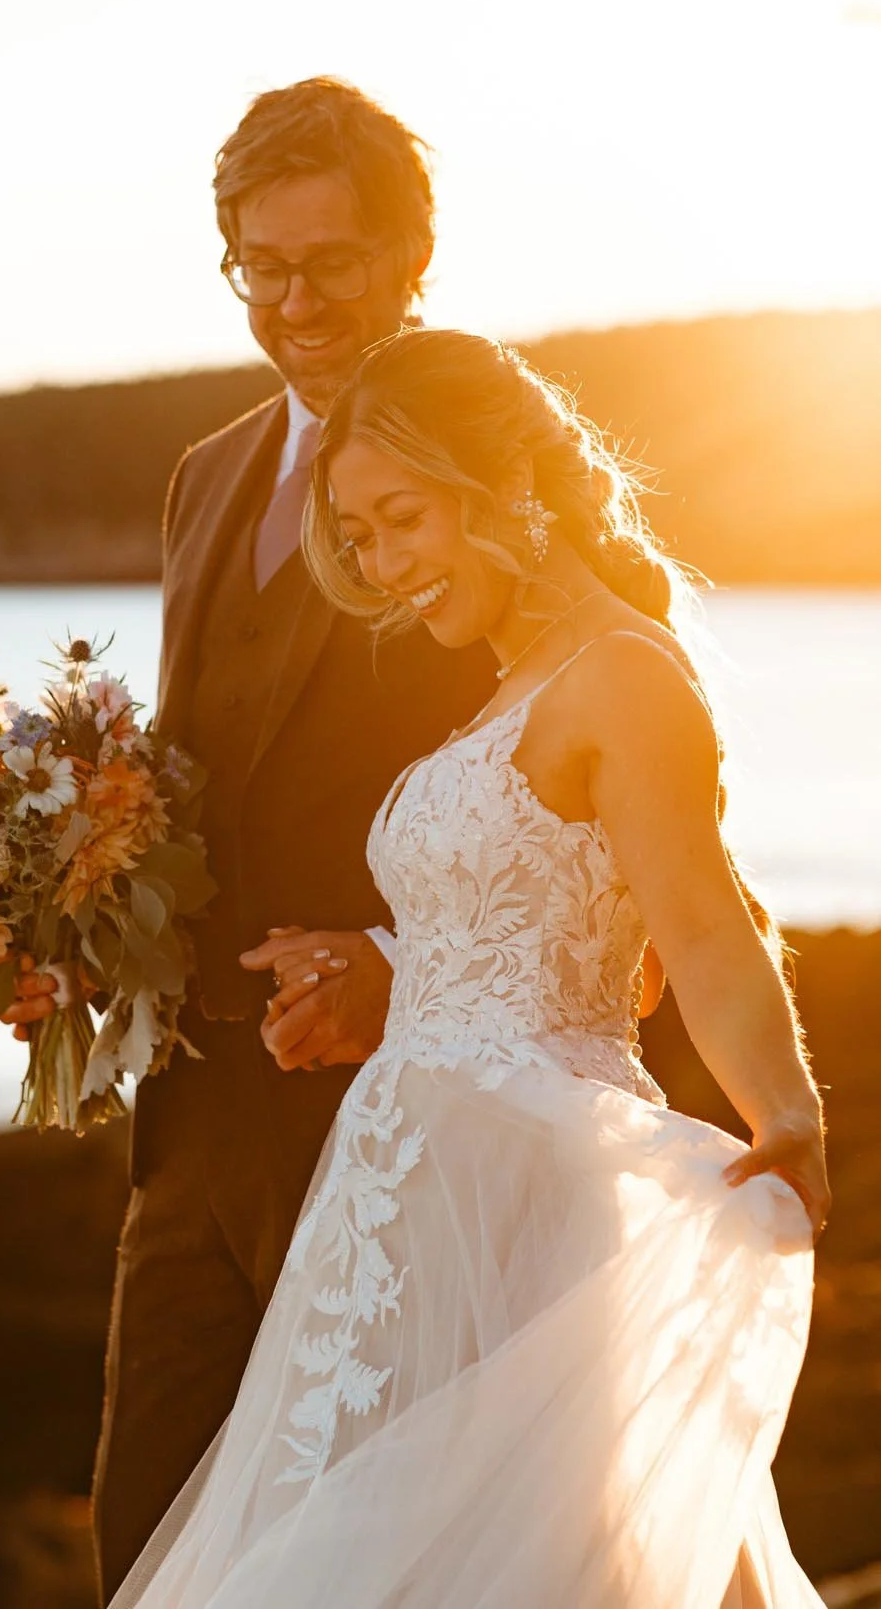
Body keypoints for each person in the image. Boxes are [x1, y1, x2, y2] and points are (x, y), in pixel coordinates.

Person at [111, 325, 830, 1609]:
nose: (384, 566)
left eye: (404, 520)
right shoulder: (509, 682)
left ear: (511, 484)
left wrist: (786, 1108)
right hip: (404, 1188)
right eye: (359, 536)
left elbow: (703, 924)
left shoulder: (623, 676)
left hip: (528, 1188)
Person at [3, 79, 497, 1599]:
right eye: (261, 268)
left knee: (368, 1563)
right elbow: (197, 775)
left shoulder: (501, 459)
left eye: (331, 263)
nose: (295, 304)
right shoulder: (207, 473)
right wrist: (76, 921)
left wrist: (403, 959)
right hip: (193, 1120)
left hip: (397, 1117)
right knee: (146, 1543)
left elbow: (598, 773)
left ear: (410, 256)